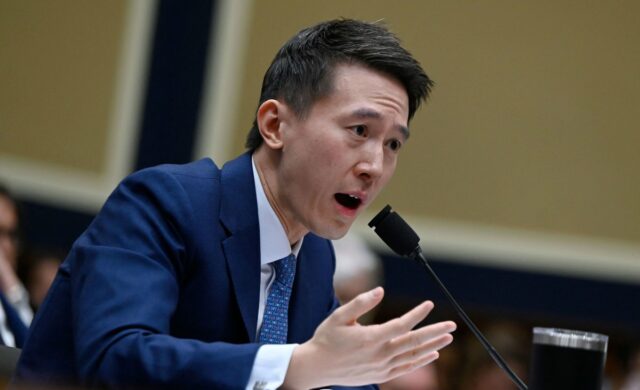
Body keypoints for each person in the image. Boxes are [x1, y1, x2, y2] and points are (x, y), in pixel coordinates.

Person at [14, 19, 456, 389]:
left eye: (394, 143)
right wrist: (294, 367)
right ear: (275, 125)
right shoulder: (164, 203)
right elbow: (117, 358)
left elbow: (329, 371)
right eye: (360, 130)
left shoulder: (313, 256)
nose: (375, 166)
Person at [0, 184, 31, 348]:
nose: (5, 245)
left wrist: (11, 286)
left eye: (11, 235)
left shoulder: (10, 296)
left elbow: (33, 354)